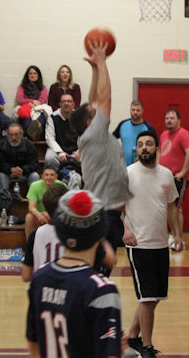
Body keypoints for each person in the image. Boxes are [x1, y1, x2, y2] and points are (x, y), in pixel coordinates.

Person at [25, 189, 122, 358]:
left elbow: (34, 347)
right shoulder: (101, 290)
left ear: (60, 232)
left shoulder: (39, 279)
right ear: (100, 234)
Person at [69, 39, 132, 256]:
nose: (97, 109)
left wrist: (95, 70)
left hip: (104, 211)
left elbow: (94, 100)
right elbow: (104, 98)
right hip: (105, 213)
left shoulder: (92, 135)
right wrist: (103, 62)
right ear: (90, 121)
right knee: (100, 267)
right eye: (94, 112)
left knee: (99, 266)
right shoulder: (95, 133)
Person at [123, 131, 181, 358]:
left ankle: (132, 335)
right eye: (140, 144)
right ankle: (146, 346)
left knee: (155, 297)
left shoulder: (166, 174)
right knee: (146, 298)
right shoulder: (128, 173)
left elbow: (171, 208)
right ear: (136, 150)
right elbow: (116, 207)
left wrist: (177, 234)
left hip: (161, 244)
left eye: (148, 144)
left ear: (157, 148)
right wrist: (125, 230)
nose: (144, 147)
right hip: (138, 244)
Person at [159, 108, 189, 249]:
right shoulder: (163, 135)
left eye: (172, 118)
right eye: (167, 118)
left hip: (178, 178)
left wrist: (183, 172)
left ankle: (179, 240)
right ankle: (173, 236)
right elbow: (160, 154)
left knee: (176, 208)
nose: (169, 120)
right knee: (168, 207)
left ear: (179, 120)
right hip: (165, 178)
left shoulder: (183, 134)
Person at [21, 182, 68, 282]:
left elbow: (26, 276)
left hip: (41, 286)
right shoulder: (75, 233)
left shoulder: (35, 234)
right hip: (66, 285)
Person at [24, 166, 67, 238]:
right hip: (40, 216)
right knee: (29, 217)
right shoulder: (34, 186)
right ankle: (30, 243)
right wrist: (39, 215)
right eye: (46, 175)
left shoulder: (62, 186)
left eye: (52, 175)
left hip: (56, 216)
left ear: (56, 176)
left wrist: (51, 215)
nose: (49, 177)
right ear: (42, 176)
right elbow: (31, 207)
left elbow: (65, 207)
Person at [0, 123, 40, 194]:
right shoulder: (2, 144)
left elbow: (34, 163)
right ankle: (4, 197)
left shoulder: (29, 145)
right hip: (8, 173)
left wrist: (23, 170)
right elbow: (0, 163)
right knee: (1, 176)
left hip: (25, 173)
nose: (14, 137)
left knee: (35, 176)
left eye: (16, 134)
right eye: (11, 135)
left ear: (21, 134)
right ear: (7, 135)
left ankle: (34, 198)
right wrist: (10, 169)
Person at [112, 100, 156, 166]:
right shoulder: (122, 125)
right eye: (133, 110)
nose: (135, 112)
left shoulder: (149, 128)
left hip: (143, 166)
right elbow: (111, 139)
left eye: (138, 110)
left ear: (142, 111)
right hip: (123, 167)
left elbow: (156, 149)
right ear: (130, 110)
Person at [44, 93, 80, 171]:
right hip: (58, 149)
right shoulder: (52, 117)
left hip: (76, 150)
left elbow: (84, 137)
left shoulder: (79, 117)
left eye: (69, 101)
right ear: (60, 104)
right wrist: (60, 152)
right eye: (64, 101)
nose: (66, 103)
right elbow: (49, 138)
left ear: (73, 104)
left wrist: (79, 152)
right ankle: (57, 176)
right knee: (49, 158)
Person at [15, 65, 48, 140]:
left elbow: (43, 100)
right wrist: (32, 101)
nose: (32, 75)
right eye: (30, 73)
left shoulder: (43, 87)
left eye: (35, 73)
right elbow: (20, 100)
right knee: (28, 123)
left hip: (38, 109)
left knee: (41, 122)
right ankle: (31, 139)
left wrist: (35, 105)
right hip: (26, 109)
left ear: (38, 75)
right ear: (27, 75)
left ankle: (37, 138)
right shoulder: (22, 87)